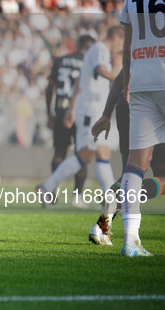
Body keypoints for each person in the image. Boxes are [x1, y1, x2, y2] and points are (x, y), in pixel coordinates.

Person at [114, 0, 165, 256]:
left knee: (135, 164)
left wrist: (127, 82)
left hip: (143, 81)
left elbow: (127, 42)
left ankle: (130, 240)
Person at [37, 26, 123, 206]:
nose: (120, 49)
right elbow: (102, 71)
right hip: (90, 111)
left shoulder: (96, 51)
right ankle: (48, 186)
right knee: (86, 155)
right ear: (116, 37)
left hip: (92, 110)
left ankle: (109, 197)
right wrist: (118, 71)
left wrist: (71, 109)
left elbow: (79, 81)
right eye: (121, 43)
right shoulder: (100, 49)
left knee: (101, 151)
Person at [89, 70, 165, 246]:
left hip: (126, 104)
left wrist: (106, 114)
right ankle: (115, 203)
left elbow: (118, 79)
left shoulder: (138, 43)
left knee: (130, 173)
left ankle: (101, 226)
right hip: (155, 104)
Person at [45, 35, 95, 204]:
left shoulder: (60, 60)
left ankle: (51, 192)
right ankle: (77, 196)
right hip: (80, 112)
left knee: (59, 152)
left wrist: (49, 112)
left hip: (60, 111)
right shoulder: (89, 63)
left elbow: (49, 87)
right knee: (81, 153)